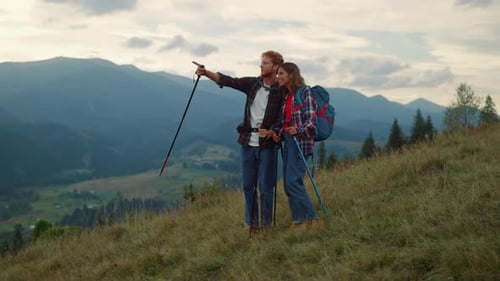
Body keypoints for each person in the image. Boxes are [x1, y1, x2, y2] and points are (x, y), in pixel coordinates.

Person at [195, 51, 284, 235]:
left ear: (275, 67)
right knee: (247, 186)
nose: (261, 66)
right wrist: (206, 73)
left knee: (266, 187)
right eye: (261, 63)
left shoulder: (282, 91)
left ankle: (266, 226)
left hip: (267, 145)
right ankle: (252, 225)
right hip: (247, 142)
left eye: (265, 63)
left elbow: (284, 118)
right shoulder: (253, 83)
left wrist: (274, 131)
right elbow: (229, 81)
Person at [271, 62, 320, 228]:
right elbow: (286, 122)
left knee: (293, 182)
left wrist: (296, 130)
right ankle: (298, 221)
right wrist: (278, 133)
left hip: (300, 143)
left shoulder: (305, 92)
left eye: (281, 74)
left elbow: (312, 122)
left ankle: (313, 219)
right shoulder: (287, 96)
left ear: (291, 75)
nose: (278, 77)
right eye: (277, 74)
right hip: (288, 142)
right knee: (288, 183)